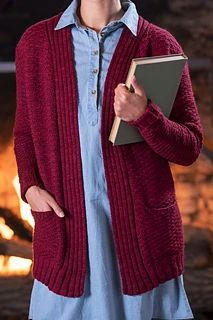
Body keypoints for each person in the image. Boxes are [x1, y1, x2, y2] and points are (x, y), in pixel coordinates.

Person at [13, 0, 203, 319]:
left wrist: (145, 117)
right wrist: (30, 187)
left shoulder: (158, 43)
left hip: (142, 241)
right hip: (65, 237)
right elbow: (24, 132)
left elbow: (190, 146)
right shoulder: (36, 43)